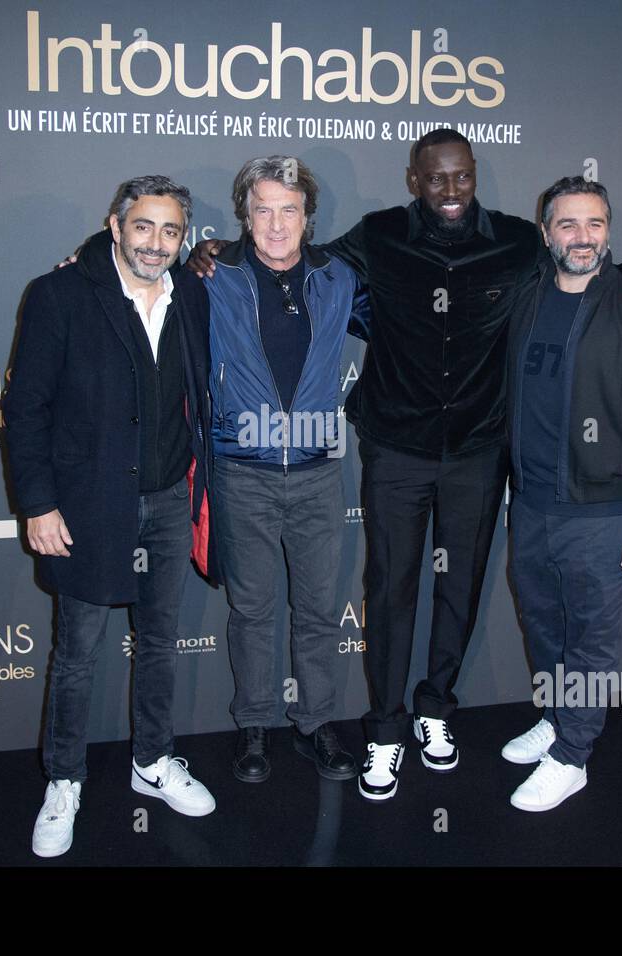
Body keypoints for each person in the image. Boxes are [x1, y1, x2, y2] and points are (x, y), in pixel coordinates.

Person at [189, 129, 622, 801]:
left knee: (460, 592)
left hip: (478, 452)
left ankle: (435, 711)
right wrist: (219, 249)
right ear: (415, 180)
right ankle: (385, 729)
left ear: (474, 176)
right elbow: (290, 257)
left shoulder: (516, 243)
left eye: (462, 177)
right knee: (390, 593)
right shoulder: (379, 235)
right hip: (395, 449)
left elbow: (583, 262)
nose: (451, 190)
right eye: (436, 178)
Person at [1, 175, 219, 858]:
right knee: (77, 653)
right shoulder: (60, 294)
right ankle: (64, 779)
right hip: (87, 506)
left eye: (171, 231)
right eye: (144, 227)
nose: (156, 243)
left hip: (167, 503)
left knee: (158, 643)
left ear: (185, 238)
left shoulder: (195, 296)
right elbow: (25, 408)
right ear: (115, 225)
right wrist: (37, 503)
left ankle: (152, 760)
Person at [500, 177, 622, 811]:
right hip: (529, 506)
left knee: (590, 641)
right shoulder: (527, 298)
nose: (583, 238)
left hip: (604, 511)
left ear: (609, 229)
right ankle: (557, 720)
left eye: (595, 224)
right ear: (546, 232)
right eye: (568, 225)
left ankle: (573, 755)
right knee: (545, 629)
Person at [181, 156, 369, 784]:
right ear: (245, 215)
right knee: (253, 610)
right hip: (243, 470)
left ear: (308, 216)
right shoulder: (211, 277)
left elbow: (426, 295)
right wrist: (91, 251)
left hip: (318, 472)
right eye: (263, 209)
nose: (277, 222)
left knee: (319, 610)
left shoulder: (339, 278)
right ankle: (255, 724)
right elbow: (133, 262)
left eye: (289, 209)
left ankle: (316, 722)